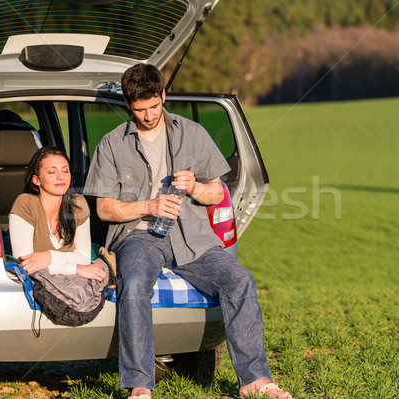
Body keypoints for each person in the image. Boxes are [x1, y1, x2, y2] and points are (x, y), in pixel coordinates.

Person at [83, 64, 292, 399]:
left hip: (192, 237)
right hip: (138, 236)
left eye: (154, 106)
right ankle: (140, 385)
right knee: (134, 283)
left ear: (163, 95)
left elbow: (216, 193)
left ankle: (254, 379)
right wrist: (148, 206)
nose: (149, 115)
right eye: (140, 110)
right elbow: (104, 209)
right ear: (127, 105)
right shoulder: (111, 145)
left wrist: (195, 186)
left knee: (241, 280)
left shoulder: (193, 133)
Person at [9, 145, 107, 282]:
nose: (61, 177)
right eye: (51, 172)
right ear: (36, 179)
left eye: (65, 171)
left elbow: (84, 257)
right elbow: (25, 265)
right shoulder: (25, 203)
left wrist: (49, 257)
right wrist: (75, 269)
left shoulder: (78, 203)